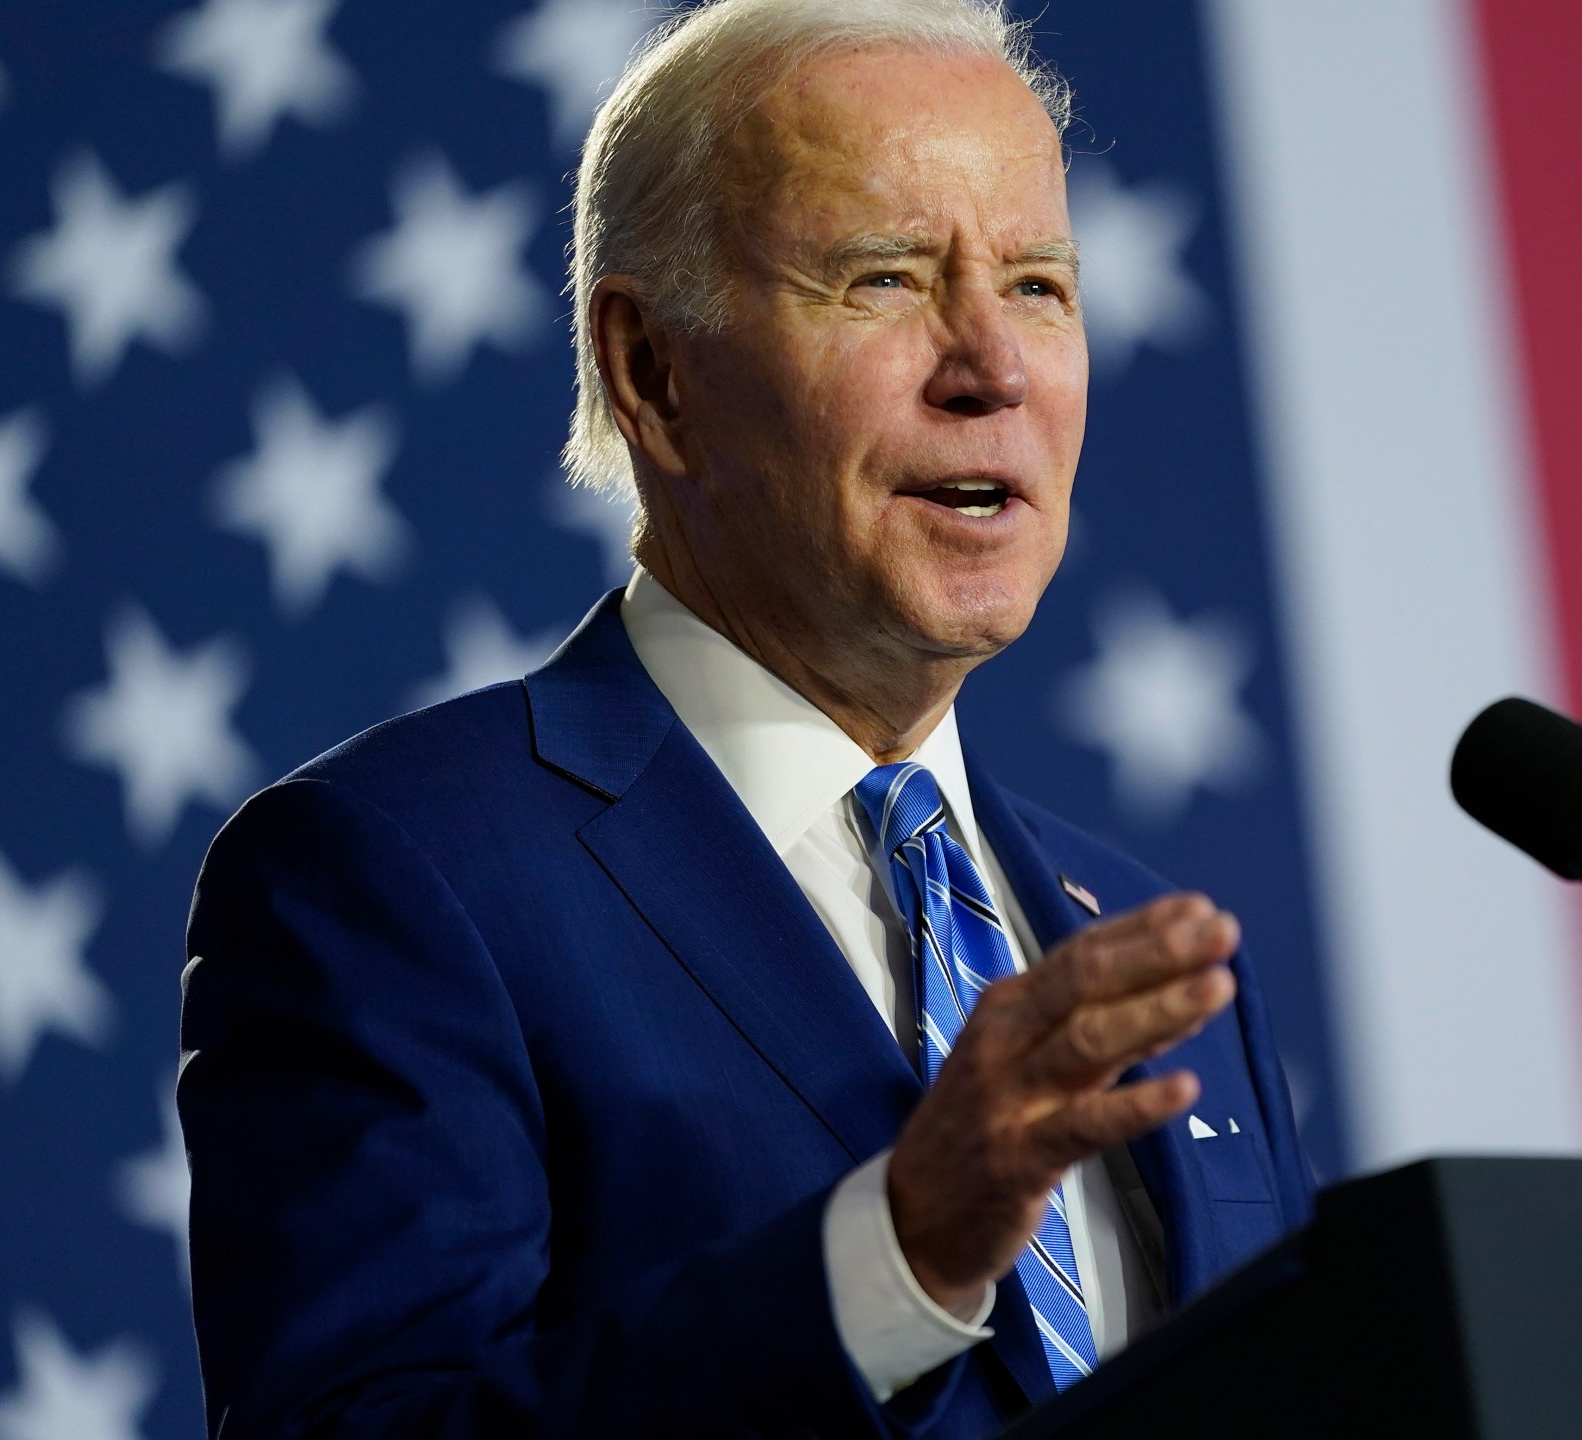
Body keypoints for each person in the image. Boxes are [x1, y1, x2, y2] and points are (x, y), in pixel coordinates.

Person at [176, 2, 1314, 1435]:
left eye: (1037, 285)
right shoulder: (402, 875)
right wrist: (887, 1262)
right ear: (654, 374)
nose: (994, 369)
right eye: (887, 280)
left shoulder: (1136, 941)